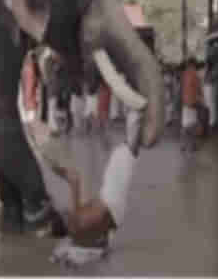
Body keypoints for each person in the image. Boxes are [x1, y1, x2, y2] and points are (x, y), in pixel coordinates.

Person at [46, 108, 144, 266]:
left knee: (121, 157)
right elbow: (75, 181)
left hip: (110, 210)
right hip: (112, 203)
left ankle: (135, 129)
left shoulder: (74, 230)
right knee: (121, 157)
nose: (64, 211)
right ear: (65, 221)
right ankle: (136, 117)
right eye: (63, 214)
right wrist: (57, 169)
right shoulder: (76, 219)